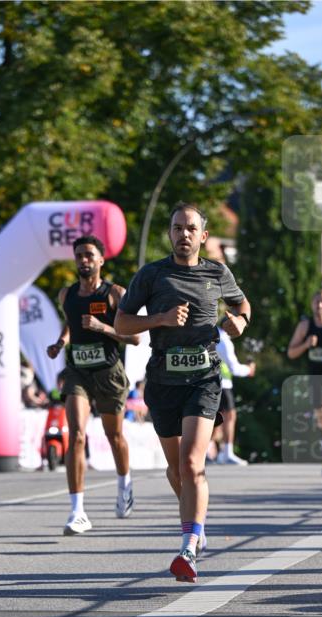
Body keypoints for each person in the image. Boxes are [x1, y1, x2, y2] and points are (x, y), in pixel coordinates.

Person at [114, 202, 251, 582]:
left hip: (204, 377)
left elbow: (242, 305)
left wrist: (240, 322)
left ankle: (188, 547)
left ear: (203, 236)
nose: (183, 234)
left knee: (192, 463)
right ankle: (196, 522)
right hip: (163, 380)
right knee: (176, 470)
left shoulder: (217, 272)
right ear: (170, 233)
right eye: (177, 228)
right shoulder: (152, 274)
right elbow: (122, 323)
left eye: (191, 228)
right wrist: (159, 318)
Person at [47, 235, 139, 535]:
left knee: (115, 436)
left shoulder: (115, 294)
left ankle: (124, 484)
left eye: (89, 255)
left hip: (109, 373)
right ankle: (77, 512)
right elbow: (71, 323)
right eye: (79, 255)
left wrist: (103, 327)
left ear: (101, 259)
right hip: (78, 373)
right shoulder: (67, 294)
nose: (83, 260)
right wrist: (61, 342)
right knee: (76, 435)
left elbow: (135, 337)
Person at [287, 289, 322, 477]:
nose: (319, 305)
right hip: (315, 378)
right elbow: (291, 353)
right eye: (316, 301)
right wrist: (305, 344)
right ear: (312, 304)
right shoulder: (305, 326)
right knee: (321, 419)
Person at [214, 331, 255, 464]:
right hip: (222, 384)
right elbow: (234, 368)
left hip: (212, 383)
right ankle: (227, 454)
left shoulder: (209, 332)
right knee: (229, 417)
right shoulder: (223, 338)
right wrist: (249, 370)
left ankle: (214, 454)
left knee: (215, 420)